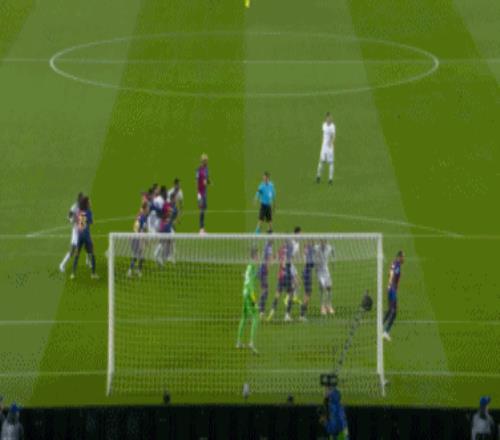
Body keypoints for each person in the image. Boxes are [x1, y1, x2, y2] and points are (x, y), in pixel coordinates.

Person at [236, 247, 260, 354]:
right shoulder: (253, 265)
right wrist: (254, 300)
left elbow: (247, 277)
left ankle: (238, 342)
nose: (258, 257)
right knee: (256, 317)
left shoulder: (249, 265)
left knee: (244, 317)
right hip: (249, 294)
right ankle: (251, 343)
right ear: (255, 255)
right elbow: (250, 284)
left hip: (244, 293)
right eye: (258, 255)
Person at [71, 197, 98, 279]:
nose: (90, 203)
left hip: (80, 235)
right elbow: (91, 222)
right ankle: (93, 274)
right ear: (87, 204)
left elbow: (77, 221)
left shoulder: (79, 211)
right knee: (92, 254)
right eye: (89, 202)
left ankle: (73, 274)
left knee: (77, 255)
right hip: (86, 236)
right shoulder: (88, 211)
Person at [383, 250, 405, 341]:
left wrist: (388, 285)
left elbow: (389, 274)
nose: (404, 258)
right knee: (394, 311)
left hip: (390, 288)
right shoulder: (398, 266)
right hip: (392, 290)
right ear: (399, 257)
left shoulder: (393, 263)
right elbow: (393, 276)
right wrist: (392, 287)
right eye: (403, 257)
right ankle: (386, 332)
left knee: (389, 309)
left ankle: (380, 325)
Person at [59, 192, 83, 272]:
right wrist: (72, 220)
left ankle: (89, 262)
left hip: (81, 228)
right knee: (73, 249)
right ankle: (62, 264)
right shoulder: (74, 207)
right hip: (76, 230)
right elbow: (69, 216)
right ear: (78, 200)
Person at [127, 201, 149, 277]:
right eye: (148, 207)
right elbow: (139, 229)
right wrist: (142, 240)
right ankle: (132, 270)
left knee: (139, 255)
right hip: (137, 239)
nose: (148, 209)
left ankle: (136, 270)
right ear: (145, 208)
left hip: (137, 238)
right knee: (138, 256)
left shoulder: (142, 217)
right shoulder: (142, 218)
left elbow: (142, 229)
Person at [315, 240, 335, 315]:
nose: (323, 243)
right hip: (319, 271)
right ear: (320, 242)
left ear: (326, 242)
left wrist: (333, 260)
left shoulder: (329, 247)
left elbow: (333, 250)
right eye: (321, 242)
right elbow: (309, 250)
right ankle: (322, 307)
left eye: (324, 242)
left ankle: (329, 306)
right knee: (322, 288)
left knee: (329, 288)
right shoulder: (316, 248)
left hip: (326, 271)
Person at [316, 112, 336, 185]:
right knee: (321, 161)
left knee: (331, 162)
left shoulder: (332, 126)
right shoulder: (323, 125)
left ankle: (330, 179)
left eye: (330, 118)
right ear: (326, 118)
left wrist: (331, 143)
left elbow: (333, 136)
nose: (330, 119)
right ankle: (318, 177)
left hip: (329, 147)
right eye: (328, 118)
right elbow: (323, 134)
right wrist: (323, 143)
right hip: (324, 147)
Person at [299, 241, 315, 321]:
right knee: (307, 294)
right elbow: (311, 264)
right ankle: (302, 315)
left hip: (305, 273)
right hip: (307, 274)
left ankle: (303, 314)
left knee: (307, 293)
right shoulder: (309, 253)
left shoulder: (306, 252)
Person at [258, 238, 274, 318]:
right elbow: (269, 260)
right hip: (263, 271)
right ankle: (261, 310)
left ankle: (260, 308)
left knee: (263, 290)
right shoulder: (269, 247)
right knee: (265, 291)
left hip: (261, 270)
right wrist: (270, 265)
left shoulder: (266, 245)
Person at [196, 154, 210, 234]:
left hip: (204, 192)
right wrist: (198, 195)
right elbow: (198, 181)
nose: (207, 162)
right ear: (203, 161)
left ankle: (202, 228)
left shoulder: (206, 169)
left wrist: (208, 181)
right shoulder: (199, 170)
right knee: (201, 209)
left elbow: (206, 179)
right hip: (201, 193)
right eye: (206, 160)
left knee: (204, 209)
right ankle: (201, 229)